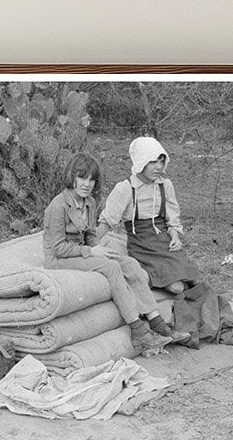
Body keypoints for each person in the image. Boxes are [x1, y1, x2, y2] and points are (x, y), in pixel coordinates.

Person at [42, 153, 187, 355]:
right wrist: (91, 251)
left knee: (128, 263)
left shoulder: (89, 202)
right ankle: (138, 330)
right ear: (71, 177)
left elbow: (89, 234)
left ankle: (157, 322)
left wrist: (99, 249)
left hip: (82, 251)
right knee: (111, 268)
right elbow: (58, 248)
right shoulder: (58, 206)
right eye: (82, 178)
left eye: (92, 180)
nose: (87, 184)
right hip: (60, 259)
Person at [95, 136, 200, 295]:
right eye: (153, 162)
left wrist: (175, 237)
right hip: (141, 244)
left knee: (190, 281)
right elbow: (108, 220)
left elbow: (172, 218)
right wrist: (89, 246)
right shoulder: (125, 188)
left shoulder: (165, 185)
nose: (158, 167)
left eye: (161, 161)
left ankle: (154, 279)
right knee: (176, 287)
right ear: (141, 161)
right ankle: (142, 277)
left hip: (164, 242)